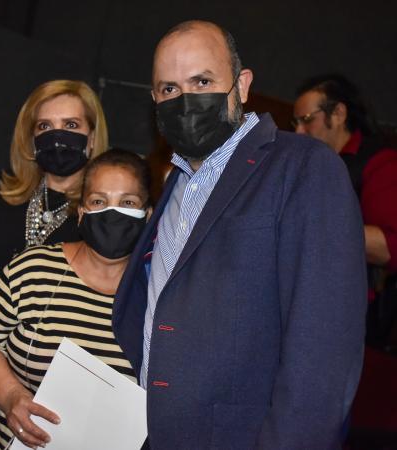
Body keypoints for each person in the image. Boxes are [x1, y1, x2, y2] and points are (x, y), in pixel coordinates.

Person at [113, 20, 367, 449]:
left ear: (242, 85)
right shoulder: (173, 185)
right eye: (169, 89)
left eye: (203, 81)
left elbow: (323, 357)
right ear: (154, 99)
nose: (186, 101)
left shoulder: (304, 167)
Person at [0, 79, 109, 449]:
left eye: (71, 125)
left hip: (44, 384)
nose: (57, 136)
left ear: (92, 138)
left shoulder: (102, 217)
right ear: (30, 139)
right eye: (45, 126)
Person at [0, 149, 150, 450]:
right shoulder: (33, 268)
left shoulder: (156, 296)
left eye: (128, 203)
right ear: (82, 212)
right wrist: (10, 396)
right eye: (99, 201)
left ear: (148, 215)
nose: (112, 213)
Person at [293, 75, 397, 347]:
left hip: (344, 318)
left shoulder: (379, 163)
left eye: (306, 120)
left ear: (338, 114)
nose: (299, 132)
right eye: (296, 123)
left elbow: (389, 245)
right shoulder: (310, 164)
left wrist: (311, 225)